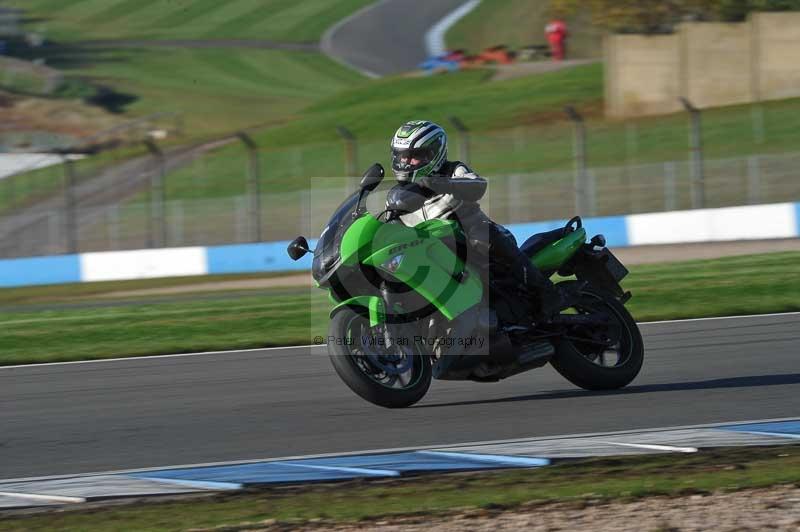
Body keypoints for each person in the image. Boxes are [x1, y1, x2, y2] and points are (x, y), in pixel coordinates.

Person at [389, 120, 578, 321]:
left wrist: (443, 184)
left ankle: (547, 293)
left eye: (413, 157)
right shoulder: (397, 195)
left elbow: (478, 185)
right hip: (437, 249)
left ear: (433, 154)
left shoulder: (453, 170)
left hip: (476, 238)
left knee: (482, 236)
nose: (405, 163)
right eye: (401, 156)